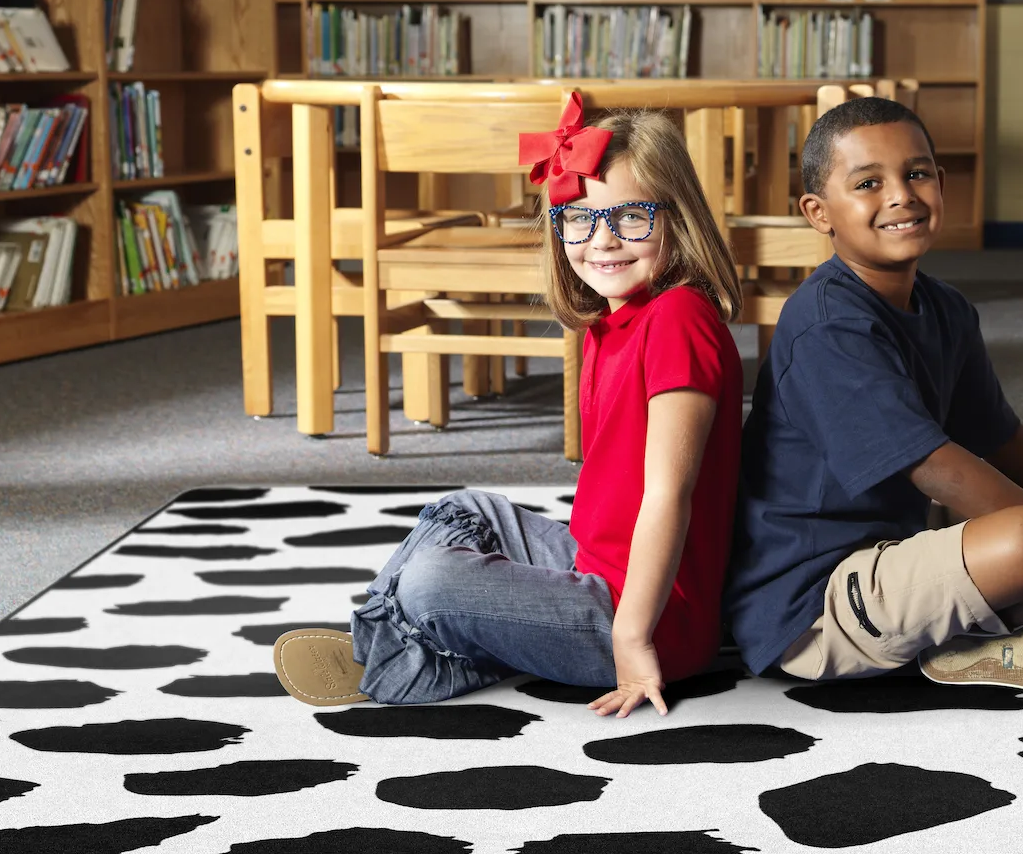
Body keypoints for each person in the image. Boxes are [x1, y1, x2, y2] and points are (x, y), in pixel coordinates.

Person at [274, 99, 744, 720]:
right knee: (462, 510)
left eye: (631, 216)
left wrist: (631, 638)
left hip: (649, 618)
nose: (601, 240)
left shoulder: (680, 318)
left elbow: (668, 496)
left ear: (676, 219)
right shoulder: (612, 322)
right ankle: (418, 636)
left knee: (431, 583)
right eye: (577, 218)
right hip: (594, 561)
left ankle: (412, 657)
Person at [723, 96, 1023, 692]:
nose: (901, 195)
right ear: (818, 212)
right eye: (868, 183)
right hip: (812, 601)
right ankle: (984, 638)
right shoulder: (827, 324)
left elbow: (1003, 438)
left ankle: (1013, 607)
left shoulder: (945, 307)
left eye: (917, 173)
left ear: (942, 182)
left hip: (895, 542)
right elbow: (932, 466)